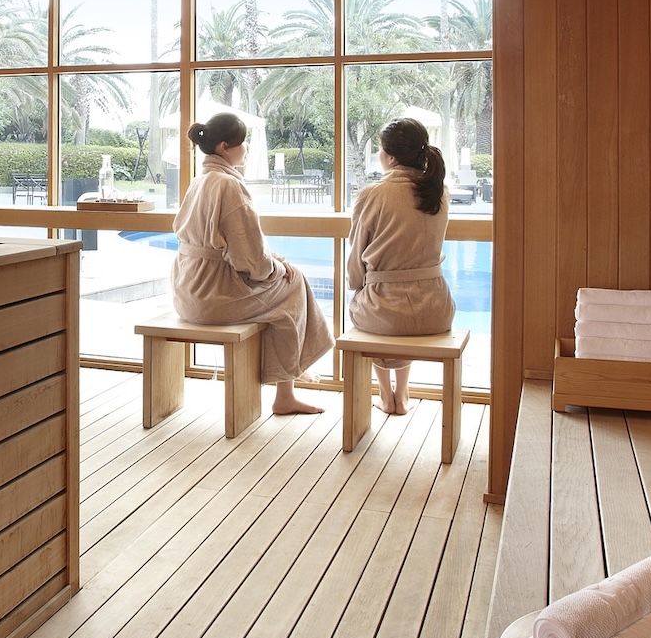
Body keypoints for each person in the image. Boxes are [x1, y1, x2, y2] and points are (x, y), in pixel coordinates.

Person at [171, 112, 332, 414]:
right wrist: (279, 269)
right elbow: (250, 260)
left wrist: (273, 264)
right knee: (293, 285)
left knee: (282, 283)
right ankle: (287, 388)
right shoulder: (229, 186)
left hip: (186, 292)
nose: (246, 150)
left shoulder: (200, 181)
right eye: (242, 144)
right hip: (214, 298)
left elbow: (239, 248)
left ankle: (292, 372)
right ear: (224, 148)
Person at [345, 118, 455, 415]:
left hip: (386, 310)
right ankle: (403, 393)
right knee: (397, 306)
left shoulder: (373, 194)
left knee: (371, 302)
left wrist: (357, 285)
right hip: (436, 309)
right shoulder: (439, 193)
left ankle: (385, 394)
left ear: (390, 157)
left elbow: (356, 263)